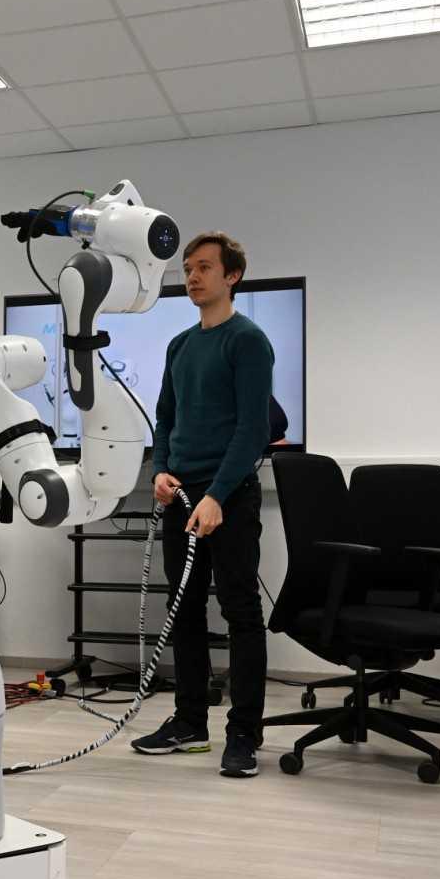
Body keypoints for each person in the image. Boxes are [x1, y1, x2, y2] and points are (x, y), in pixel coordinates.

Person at [132, 231, 275, 777]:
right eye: (188, 268)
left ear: (231, 276)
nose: (192, 277)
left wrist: (217, 495)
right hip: (181, 495)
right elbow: (165, 418)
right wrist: (160, 470)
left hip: (228, 498)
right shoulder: (180, 345)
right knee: (184, 611)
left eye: (204, 268)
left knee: (241, 613)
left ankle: (244, 735)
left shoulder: (248, 340)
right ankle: (190, 722)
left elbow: (253, 429)